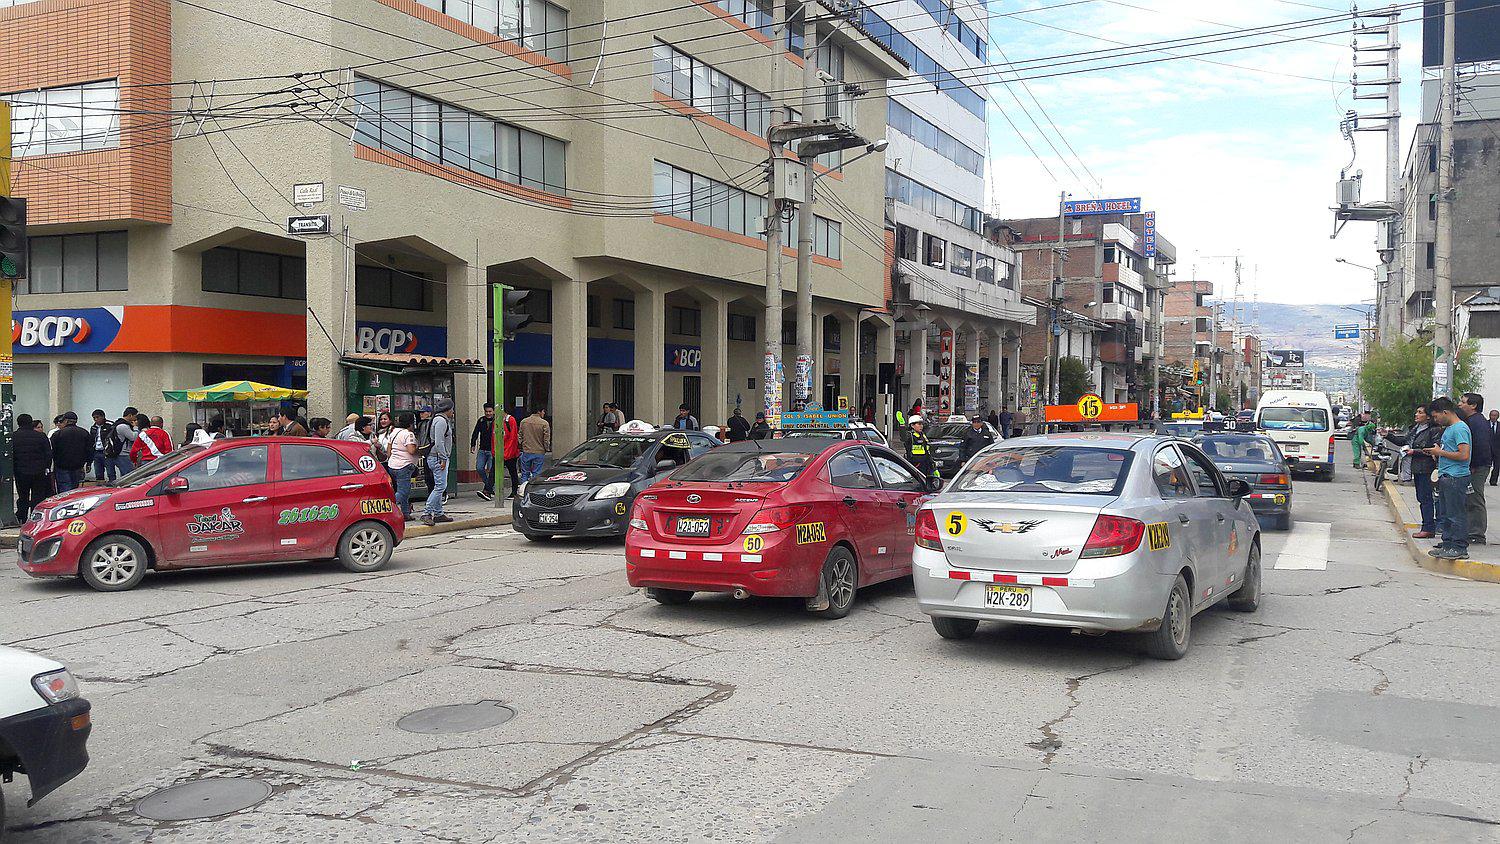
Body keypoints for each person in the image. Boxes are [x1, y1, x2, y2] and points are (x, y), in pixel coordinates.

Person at [1424, 397, 1471, 560]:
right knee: (1446, 514)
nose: (1435, 420)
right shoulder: (1449, 429)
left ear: (1445, 412)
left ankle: (1459, 546)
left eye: (1436, 416)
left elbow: (1464, 454)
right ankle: (1447, 544)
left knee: (1456, 514)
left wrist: (1440, 453)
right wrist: (1437, 452)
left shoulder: (1459, 429)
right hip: (1446, 475)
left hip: (1455, 477)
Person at [1458, 393, 1492, 544]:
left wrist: (1473, 465)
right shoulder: (1471, 421)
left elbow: (1480, 446)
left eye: (1463, 402)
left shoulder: (1477, 422)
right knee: (1468, 498)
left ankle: (1477, 534)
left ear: (1473, 405)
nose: (1460, 404)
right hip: (1475, 466)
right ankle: (1469, 530)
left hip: (1478, 467)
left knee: (1475, 498)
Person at [1406, 405, 1442, 539]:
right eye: (1416, 412)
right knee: (1421, 498)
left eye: (1420, 413)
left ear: (1428, 417)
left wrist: (1415, 451)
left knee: (1426, 498)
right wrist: (1388, 436)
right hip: (1417, 468)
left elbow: (1434, 449)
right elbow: (1404, 441)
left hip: (1427, 468)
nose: (1416, 414)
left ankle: (1428, 527)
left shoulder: (1433, 430)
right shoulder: (1415, 429)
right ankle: (1427, 525)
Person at [421, 399, 455, 526]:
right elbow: (439, 442)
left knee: (439, 485)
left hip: (435, 456)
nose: (453, 411)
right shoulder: (441, 421)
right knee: (440, 486)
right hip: (438, 457)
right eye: (452, 409)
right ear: (448, 409)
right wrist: (443, 458)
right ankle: (427, 512)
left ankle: (439, 513)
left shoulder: (436, 419)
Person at [12, 414, 51, 522]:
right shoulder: (41, 436)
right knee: (38, 496)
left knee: (23, 495)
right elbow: (48, 453)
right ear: (30, 422)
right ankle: (36, 518)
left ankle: (22, 517)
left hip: (21, 472)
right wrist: (46, 467)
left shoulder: (13, 437)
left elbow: (11, 455)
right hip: (38, 471)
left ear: (18, 423)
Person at [386, 412, 419, 520]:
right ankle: (386, 507)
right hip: (404, 466)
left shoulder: (394, 432)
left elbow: (389, 450)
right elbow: (411, 450)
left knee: (403, 491)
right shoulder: (408, 434)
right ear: (410, 423)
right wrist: (421, 450)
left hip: (392, 465)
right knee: (403, 491)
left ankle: (405, 513)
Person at [49, 412, 92, 494]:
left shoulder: (58, 434)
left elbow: (52, 450)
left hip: (62, 466)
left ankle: (66, 505)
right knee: (75, 488)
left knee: (64, 489)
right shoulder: (84, 433)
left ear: (66, 421)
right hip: (78, 466)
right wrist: (89, 463)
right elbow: (89, 449)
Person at [519, 405, 551, 486]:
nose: (544, 413)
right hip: (539, 451)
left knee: (525, 473)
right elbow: (546, 439)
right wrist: (546, 448)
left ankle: (523, 490)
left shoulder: (524, 422)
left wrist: (522, 445)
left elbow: (520, 436)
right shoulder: (544, 423)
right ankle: (534, 489)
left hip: (526, 451)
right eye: (543, 411)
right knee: (536, 473)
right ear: (539, 412)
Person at [471, 402, 497, 501]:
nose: (488, 413)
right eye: (486, 411)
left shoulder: (497, 421)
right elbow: (475, 432)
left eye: (490, 411)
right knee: (479, 468)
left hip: (492, 450)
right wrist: (473, 444)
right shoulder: (481, 420)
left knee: (491, 471)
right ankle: (489, 487)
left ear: (493, 411)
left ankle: (488, 490)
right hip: (482, 449)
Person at [89, 409, 118, 483]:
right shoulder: (93, 428)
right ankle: (100, 488)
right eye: (94, 418)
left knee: (110, 473)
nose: (96, 419)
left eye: (97, 417)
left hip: (106, 452)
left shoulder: (110, 425)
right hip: (96, 452)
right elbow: (91, 440)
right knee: (98, 473)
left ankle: (113, 487)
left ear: (103, 417)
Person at [500, 407, 521, 499]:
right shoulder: (496, 421)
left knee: (513, 472)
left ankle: (514, 491)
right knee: (494, 471)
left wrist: (508, 453)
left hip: (510, 452)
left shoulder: (510, 420)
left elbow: (513, 438)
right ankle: (488, 490)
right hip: (500, 451)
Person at [112, 407, 139, 478]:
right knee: (128, 476)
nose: (135, 419)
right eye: (135, 416)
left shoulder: (119, 424)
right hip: (123, 454)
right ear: (130, 415)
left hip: (123, 454)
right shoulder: (123, 426)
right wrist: (136, 428)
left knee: (125, 475)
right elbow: (133, 437)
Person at [1488, 409, 1500, 486]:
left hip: (1497, 449)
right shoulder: (1485, 424)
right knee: (1486, 466)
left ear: (1498, 416)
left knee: (1497, 466)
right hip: (1487, 449)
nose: (1493, 417)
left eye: (1495, 415)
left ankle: (1493, 481)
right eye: (1492, 415)